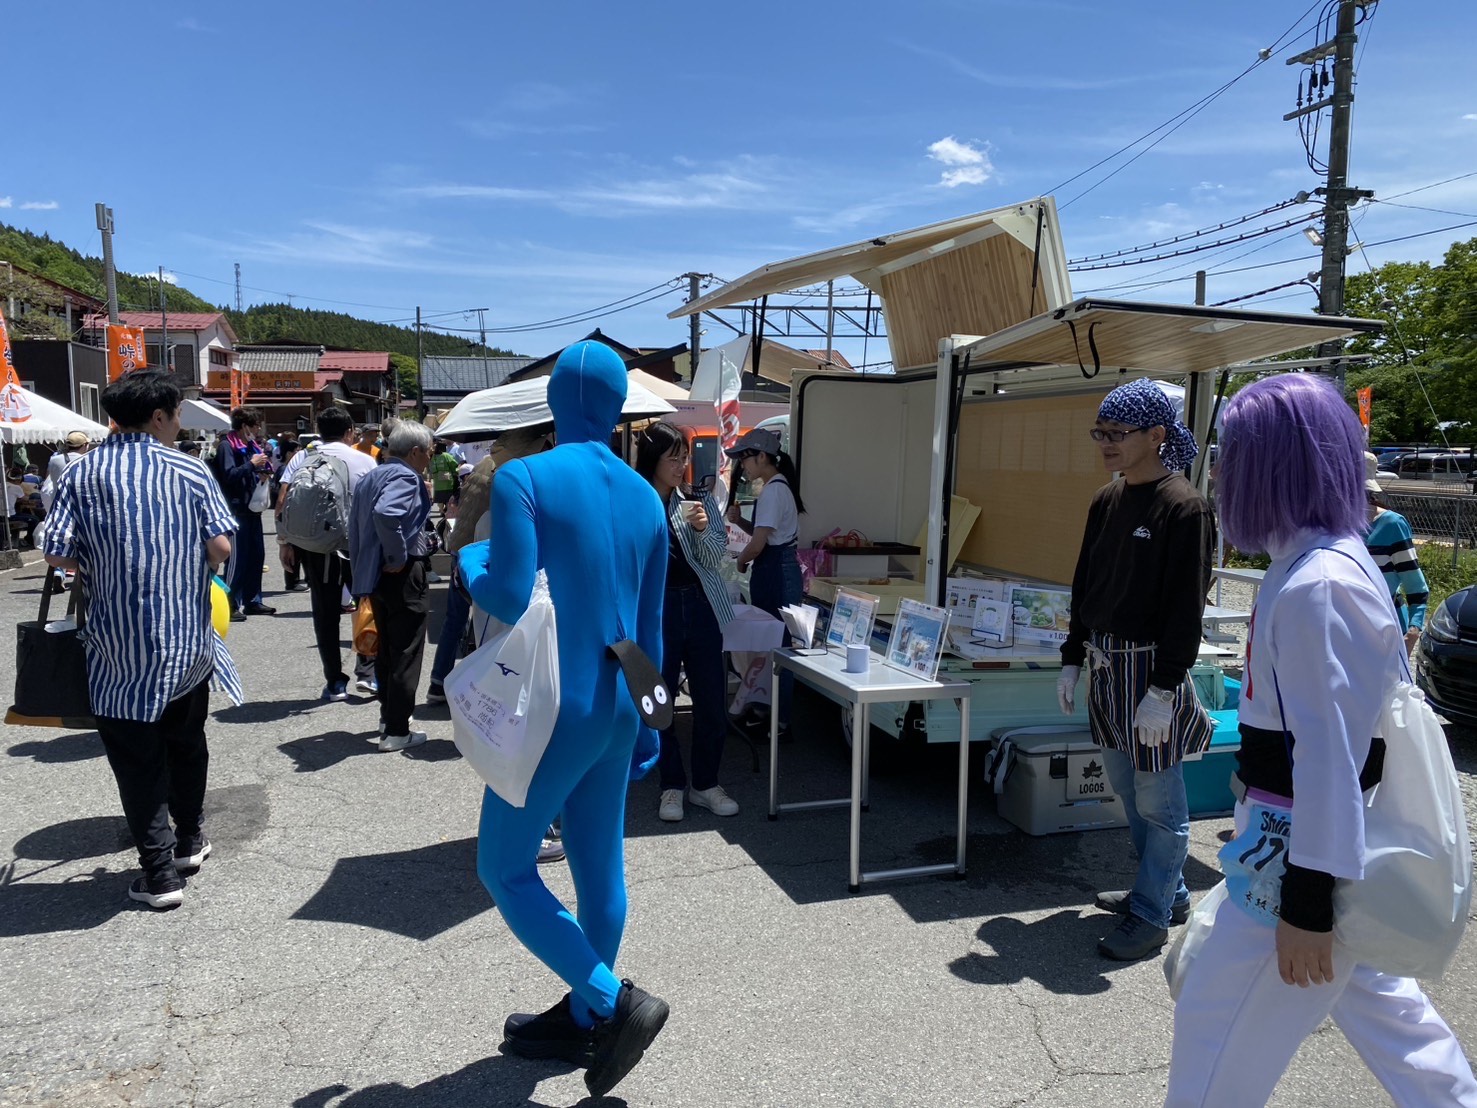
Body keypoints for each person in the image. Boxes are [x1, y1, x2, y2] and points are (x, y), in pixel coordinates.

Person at [1166, 373, 1477, 1107]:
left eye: (1231, 453)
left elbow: (1332, 759)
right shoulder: (1314, 564)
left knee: (1212, 1037)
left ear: (1270, 464)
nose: (1218, 470)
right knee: (1398, 1029)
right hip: (1301, 850)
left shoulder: (1319, 583)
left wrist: (1307, 906)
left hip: (1295, 863)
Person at [458, 340, 670, 1097]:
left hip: (557, 707)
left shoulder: (524, 476)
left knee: (504, 867)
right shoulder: (647, 498)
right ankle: (582, 1015)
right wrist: (649, 720)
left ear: (554, 403)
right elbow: (652, 627)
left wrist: (470, 563)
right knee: (599, 867)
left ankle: (614, 1002)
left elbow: (508, 593)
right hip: (621, 700)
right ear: (618, 408)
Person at [42, 371, 243, 910]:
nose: (178, 423)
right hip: (187, 642)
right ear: (158, 416)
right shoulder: (189, 469)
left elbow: (57, 552)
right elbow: (221, 547)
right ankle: (189, 840)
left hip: (116, 648)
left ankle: (159, 876)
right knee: (187, 743)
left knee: (136, 760)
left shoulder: (81, 472)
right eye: (176, 414)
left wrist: (106, 558)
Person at [1057, 377, 1215, 962]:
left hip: (1151, 672)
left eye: (1117, 433)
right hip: (1106, 665)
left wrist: (1164, 689)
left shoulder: (1184, 506)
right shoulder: (1106, 499)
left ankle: (1149, 914)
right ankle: (1169, 893)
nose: (1106, 443)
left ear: (1156, 435)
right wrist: (1072, 658)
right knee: (1126, 788)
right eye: (1100, 432)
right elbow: (1085, 583)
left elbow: (1186, 608)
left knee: (1160, 801)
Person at [636, 422, 738, 822]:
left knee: (711, 701)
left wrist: (701, 528)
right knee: (660, 701)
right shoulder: (636, 501)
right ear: (653, 460)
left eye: (685, 458)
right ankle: (672, 785)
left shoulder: (698, 500)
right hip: (655, 608)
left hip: (700, 604)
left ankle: (706, 784)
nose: (681, 466)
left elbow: (716, 558)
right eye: (673, 459)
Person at [276, 406, 378, 701]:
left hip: (316, 546)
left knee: (325, 612)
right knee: (366, 606)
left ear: (319, 432)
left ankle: (335, 682)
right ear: (350, 432)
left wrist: (285, 543)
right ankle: (367, 672)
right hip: (357, 546)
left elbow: (283, 500)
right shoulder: (364, 460)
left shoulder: (303, 458)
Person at [348, 421, 434, 752]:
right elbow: (387, 514)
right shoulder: (405, 477)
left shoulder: (373, 474)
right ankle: (397, 730)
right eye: (428, 452)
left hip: (374, 573)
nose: (429, 457)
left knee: (387, 650)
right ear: (415, 452)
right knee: (406, 651)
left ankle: (389, 720)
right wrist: (398, 554)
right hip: (401, 570)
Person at [725, 427, 805, 736]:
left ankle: (779, 722)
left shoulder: (773, 490)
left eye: (745, 459)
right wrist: (740, 522)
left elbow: (758, 545)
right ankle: (765, 711)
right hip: (776, 570)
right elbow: (764, 534)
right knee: (771, 645)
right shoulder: (776, 488)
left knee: (779, 647)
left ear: (762, 456)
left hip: (777, 574)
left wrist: (741, 561)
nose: (742, 466)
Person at [212, 406, 276, 620]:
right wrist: (251, 464)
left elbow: (254, 470)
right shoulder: (227, 445)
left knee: (256, 557)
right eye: (255, 426)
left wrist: (262, 472)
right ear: (244, 426)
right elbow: (228, 475)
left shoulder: (251, 446)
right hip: (236, 510)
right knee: (237, 560)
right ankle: (229, 603)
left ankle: (253, 600)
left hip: (253, 508)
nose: (258, 430)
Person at [1362, 452, 1429, 654]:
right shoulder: (1331, 527)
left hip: (1386, 629)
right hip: (1346, 631)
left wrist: (1413, 632)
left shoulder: (1392, 525)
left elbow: (1416, 586)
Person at [429, 439, 460, 512]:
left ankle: (441, 510)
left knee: (440, 498)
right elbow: (454, 465)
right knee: (448, 498)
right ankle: (447, 512)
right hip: (447, 482)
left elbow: (431, 468)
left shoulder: (433, 457)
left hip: (437, 482)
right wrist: (457, 472)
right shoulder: (446, 456)